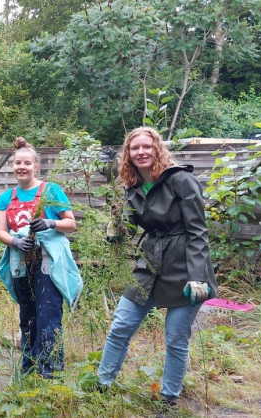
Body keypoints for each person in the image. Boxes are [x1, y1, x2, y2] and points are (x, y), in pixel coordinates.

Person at [98, 127, 218, 409]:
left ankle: (169, 399)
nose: (141, 152)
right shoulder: (133, 187)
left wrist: (198, 276)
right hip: (150, 262)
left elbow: (198, 231)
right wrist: (115, 226)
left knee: (176, 337)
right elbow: (128, 227)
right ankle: (102, 387)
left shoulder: (181, 180)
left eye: (147, 146)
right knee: (120, 325)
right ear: (128, 154)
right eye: (134, 148)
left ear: (157, 149)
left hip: (185, 266)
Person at [0, 137, 82, 379]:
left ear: (36, 166)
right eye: (17, 163)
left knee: (48, 315)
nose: (21, 167)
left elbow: (71, 223)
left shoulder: (51, 191)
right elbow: (1, 231)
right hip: (21, 261)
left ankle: (50, 371)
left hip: (47, 263)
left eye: (27, 163)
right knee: (28, 315)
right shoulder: (7, 197)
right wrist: (15, 241)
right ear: (13, 166)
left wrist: (50, 222)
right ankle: (29, 366)